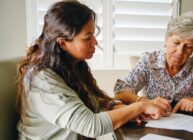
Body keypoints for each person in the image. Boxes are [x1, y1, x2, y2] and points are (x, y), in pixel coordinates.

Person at [16, 1, 169, 139]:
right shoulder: (43, 79)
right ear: (63, 43)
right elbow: (91, 126)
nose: (95, 42)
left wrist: (115, 106)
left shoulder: (72, 66)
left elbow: (95, 100)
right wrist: (140, 105)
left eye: (94, 35)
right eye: (87, 37)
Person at [114, 11, 193, 114]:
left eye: (188, 46)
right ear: (166, 39)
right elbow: (121, 92)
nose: (180, 52)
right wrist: (147, 102)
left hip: (187, 127)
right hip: (152, 122)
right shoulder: (149, 61)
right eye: (176, 43)